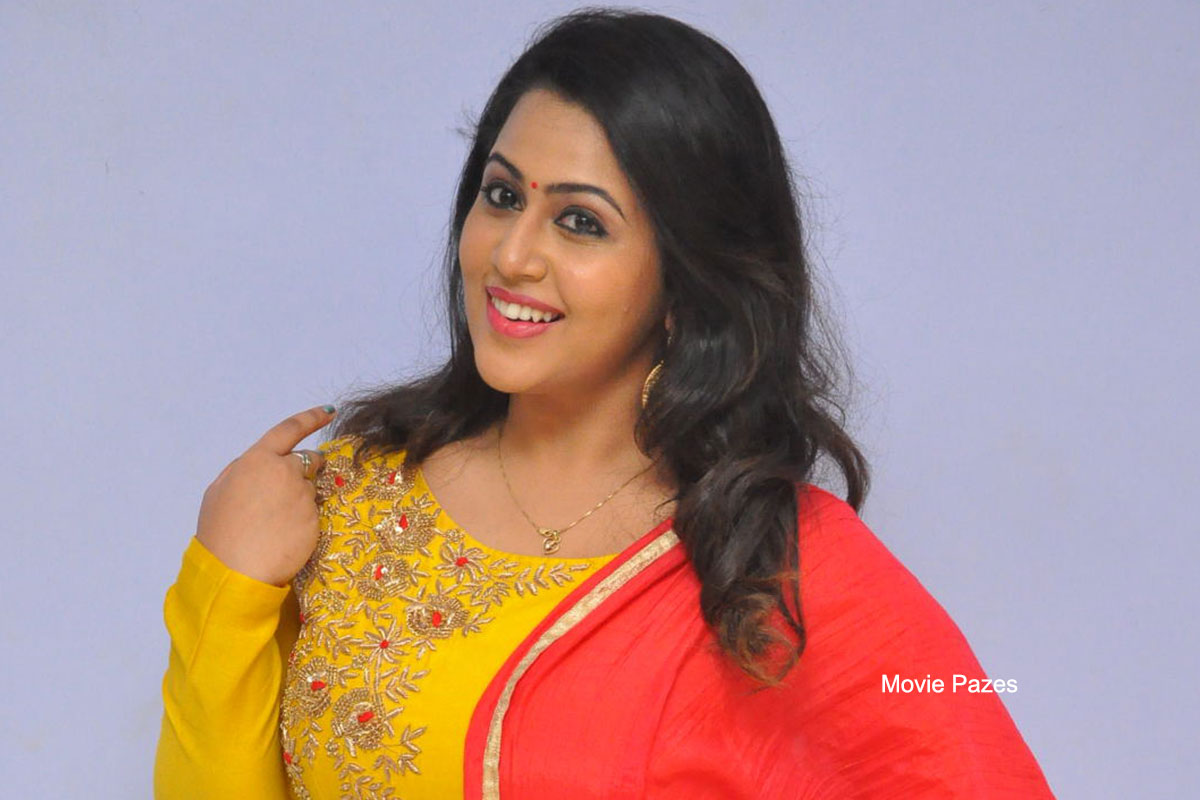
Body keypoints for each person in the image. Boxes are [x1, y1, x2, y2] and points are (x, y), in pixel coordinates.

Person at [154, 8, 1055, 799]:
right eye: (501, 196)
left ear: (686, 280)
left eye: (580, 222)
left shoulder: (772, 560)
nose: (512, 255)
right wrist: (229, 584)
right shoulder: (346, 501)